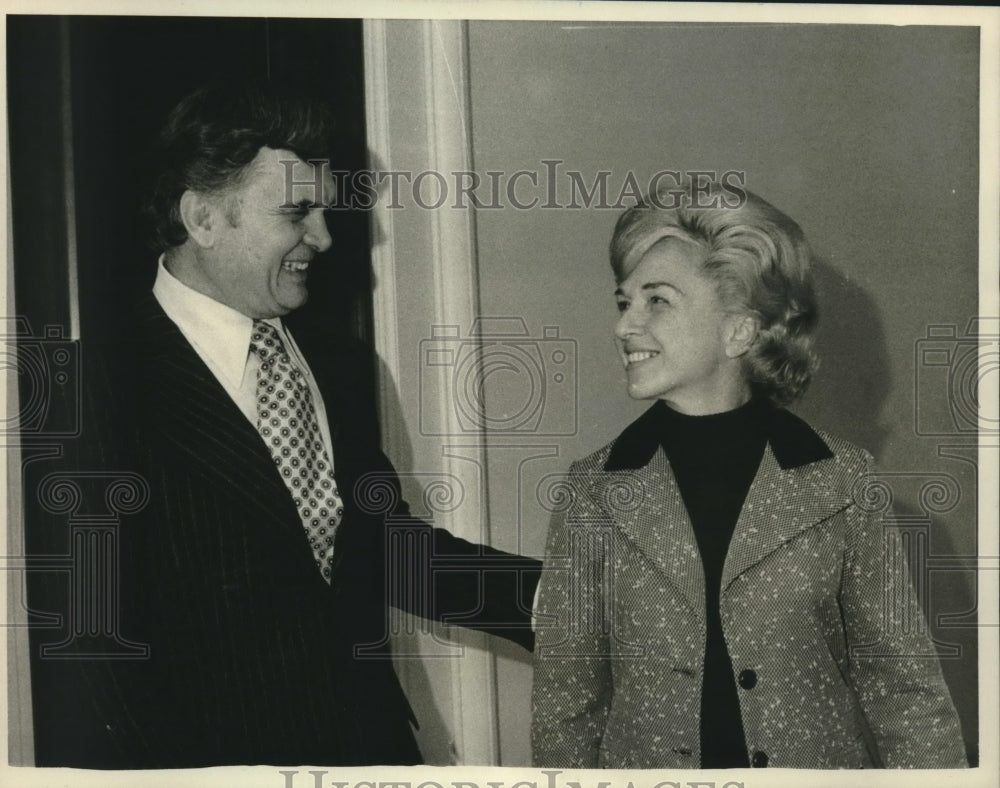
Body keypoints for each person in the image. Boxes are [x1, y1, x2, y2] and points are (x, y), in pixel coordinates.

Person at [26, 81, 539, 768]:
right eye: (298, 212)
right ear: (202, 217)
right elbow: (91, 651)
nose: (323, 238)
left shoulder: (340, 362)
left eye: (324, 211)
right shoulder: (91, 385)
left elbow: (383, 550)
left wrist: (567, 597)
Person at [530, 181, 967, 769]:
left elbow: (907, 698)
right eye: (623, 301)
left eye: (656, 300)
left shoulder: (844, 482)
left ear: (739, 329)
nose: (624, 325)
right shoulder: (592, 492)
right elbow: (565, 712)